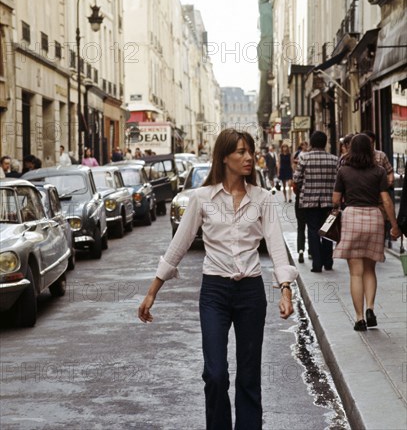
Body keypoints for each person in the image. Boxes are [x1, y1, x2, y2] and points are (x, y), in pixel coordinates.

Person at [138, 129, 298, 430]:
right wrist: (152, 292)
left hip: (251, 292)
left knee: (249, 376)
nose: (249, 157)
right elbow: (179, 245)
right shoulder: (202, 198)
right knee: (215, 374)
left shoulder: (263, 199)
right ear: (224, 157)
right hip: (214, 292)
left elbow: (277, 246)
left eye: (250, 150)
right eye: (240, 151)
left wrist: (285, 290)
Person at [332, 134, 401, 331]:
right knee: (370, 270)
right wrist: (394, 225)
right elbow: (386, 200)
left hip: (352, 216)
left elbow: (336, 200)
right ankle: (371, 308)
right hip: (373, 217)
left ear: (351, 150)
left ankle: (359, 318)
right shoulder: (379, 171)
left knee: (356, 273)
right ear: (371, 150)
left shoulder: (344, 171)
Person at [293, 131, 338, 273]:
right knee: (327, 230)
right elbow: (338, 181)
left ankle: (317, 264)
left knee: (312, 230)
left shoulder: (304, 158)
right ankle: (328, 262)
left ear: (311, 143)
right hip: (329, 201)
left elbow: (296, 179)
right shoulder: (334, 159)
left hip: (309, 201)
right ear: (325, 143)